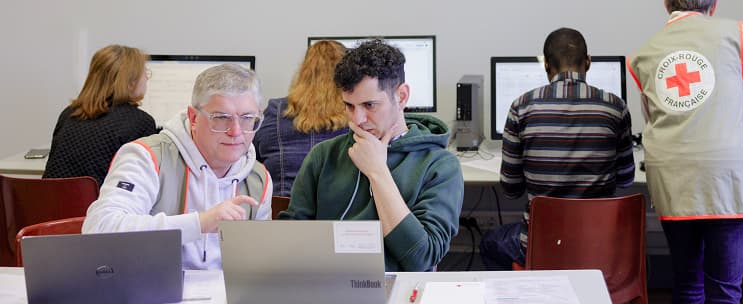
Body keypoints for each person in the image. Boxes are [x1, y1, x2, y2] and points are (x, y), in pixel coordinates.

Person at [628, 0, 743, 304]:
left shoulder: (644, 54)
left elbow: (652, 116)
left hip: (674, 179)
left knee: (687, 282)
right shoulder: (734, 32)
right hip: (728, 178)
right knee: (725, 288)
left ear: (666, 4)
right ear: (714, 3)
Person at [279, 39, 463, 272]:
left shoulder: (439, 165)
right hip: (330, 287)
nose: (357, 120)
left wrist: (377, 172)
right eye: (349, 106)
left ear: (402, 96)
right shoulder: (323, 156)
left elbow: (421, 258)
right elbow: (291, 243)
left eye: (370, 105)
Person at [83, 64, 272, 270]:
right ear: (193, 118)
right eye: (221, 118)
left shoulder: (258, 178)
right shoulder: (147, 158)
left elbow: (258, 265)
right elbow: (99, 230)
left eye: (247, 119)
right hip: (155, 294)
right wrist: (199, 223)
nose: (236, 131)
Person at [480, 27, 635, 270]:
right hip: (599, 243)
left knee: (490, 242)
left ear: (546, 66)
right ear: (588, 62)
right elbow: (626, 180)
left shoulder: (521, 107)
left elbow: (511, 189)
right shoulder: (615, 107)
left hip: (542, 245)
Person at [43, 45, 157, 185]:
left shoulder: (68, 114)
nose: (146, 77)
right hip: (98, 206)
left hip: (49, 204)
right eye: (144, 72)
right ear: (130, 82)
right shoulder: (140, 122)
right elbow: (141, 183)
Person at [254, 40, 350, 196]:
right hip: (338, 214)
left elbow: (252, 159)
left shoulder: (274, 111)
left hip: (282, 215)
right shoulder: (355, 117)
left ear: (303, 70)